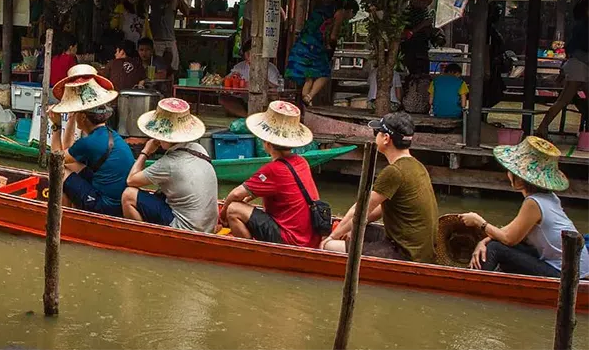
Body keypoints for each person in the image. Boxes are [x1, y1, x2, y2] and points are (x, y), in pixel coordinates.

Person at [462, 136, 589, 278]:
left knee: (495, 249)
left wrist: (479, 222)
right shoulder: (550, 197)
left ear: (520, 178)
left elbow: (509, 239)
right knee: (494, 245)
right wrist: (482, 241)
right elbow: (509, 231)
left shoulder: (533, 203)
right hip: (574, 268)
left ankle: (473, 284)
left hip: (567, 275)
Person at [322, 112, 438, 263]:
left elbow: (361, 209)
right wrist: (351, 227)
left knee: (329, 246)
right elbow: (379, 209)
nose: (375, 136)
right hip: (420, 249)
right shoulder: (417, 165)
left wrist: (332, 237)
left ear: (386, 138)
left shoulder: (394, 172)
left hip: (405, 252)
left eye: (377, 133)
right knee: (352, 229)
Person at [220, 101, 322, 247]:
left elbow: (235, 195)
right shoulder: (301, 162)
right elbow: (278, 187)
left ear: (267, 144)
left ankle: (250, 252)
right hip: (307, 236)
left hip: (290, 238)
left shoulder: (273, 169)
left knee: (233, 209)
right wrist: (249, 197)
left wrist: (223, 214)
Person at [121, 98, 218, 233]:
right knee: (158, 193)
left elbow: (131, 181)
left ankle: (142, 237)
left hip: (186, 227)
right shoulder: (198, 148)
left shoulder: (168, 164)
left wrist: (145, 152)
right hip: (208, 226)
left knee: (128, 195)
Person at [48, 69, 135, 216]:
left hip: (106, 205)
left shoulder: (90, 143)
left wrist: (56, 127)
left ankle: (65, 219)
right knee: (71, 165)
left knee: (58, 172)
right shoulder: (107, 133)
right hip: (116, 199)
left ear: (82, 118)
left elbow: (56, 159)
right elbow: (68, 152)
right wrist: (71, 117)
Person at [285, 0, 360, 106]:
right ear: (351, 11)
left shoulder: (326, 9)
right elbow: (333, 36)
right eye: (352, 16)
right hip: (314, 45)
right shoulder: (340, 12)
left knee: (309, 76)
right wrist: (331, 48)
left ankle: (305, 102)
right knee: (325, 73)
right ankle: (309, 97)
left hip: (303, 42)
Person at [536, 0, 589, 137]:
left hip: (578, 65)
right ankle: (542, 128)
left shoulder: (580, 26)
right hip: (579, 66)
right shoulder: (584, 27)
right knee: (563, 100)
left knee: (564, 100)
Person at [220, 39, 282, 117]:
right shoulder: (240, 66)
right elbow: (226, 81)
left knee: (271, 102)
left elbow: (276, 91)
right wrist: (232, 78)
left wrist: (263, 81)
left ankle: (257, 117)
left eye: (251, 54)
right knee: (223, 99)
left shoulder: (270, 68)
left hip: (263, 101)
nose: (248, 57)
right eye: (247, 53)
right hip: (243, 100)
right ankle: (247, 117)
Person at [148, 0, 189, 72]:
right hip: (156, 39)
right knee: (155, 68)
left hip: (169, 39)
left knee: (173, 68)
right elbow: (144, 4)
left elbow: (187, 12)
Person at [400, 0, 438, 77]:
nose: (426, 4)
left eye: (429, 2)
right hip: (411, 51)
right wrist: (422, 25)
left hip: (422, 50)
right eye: (423, 1)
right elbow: (404, 35)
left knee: (424, 77)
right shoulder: (407, 10)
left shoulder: (424, 11)